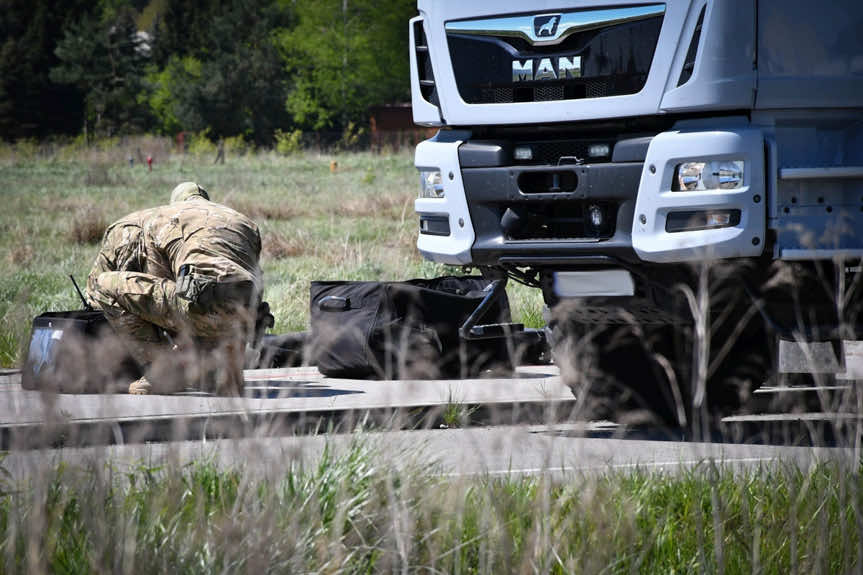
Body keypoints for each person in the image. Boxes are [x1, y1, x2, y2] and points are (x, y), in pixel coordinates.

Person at [86, 182, 267, 395]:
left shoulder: (161, 217)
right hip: (248, 318)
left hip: (196, 308)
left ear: (175, 202)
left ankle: (161, 372)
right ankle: (225, 374)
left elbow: (157, 284)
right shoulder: (245, 222)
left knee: (104, 285)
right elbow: (255, 277)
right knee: (218, 296)